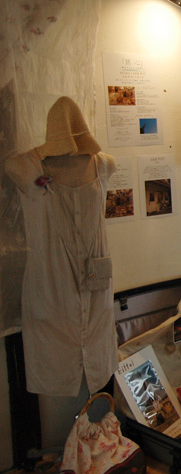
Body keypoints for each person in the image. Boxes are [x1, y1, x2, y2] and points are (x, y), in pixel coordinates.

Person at [6, 96, 117, 396]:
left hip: (97, 289)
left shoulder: (104, 164)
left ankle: (95, 423)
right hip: (51, 288)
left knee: (99, 362)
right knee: (54, 369)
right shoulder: (25, 166)